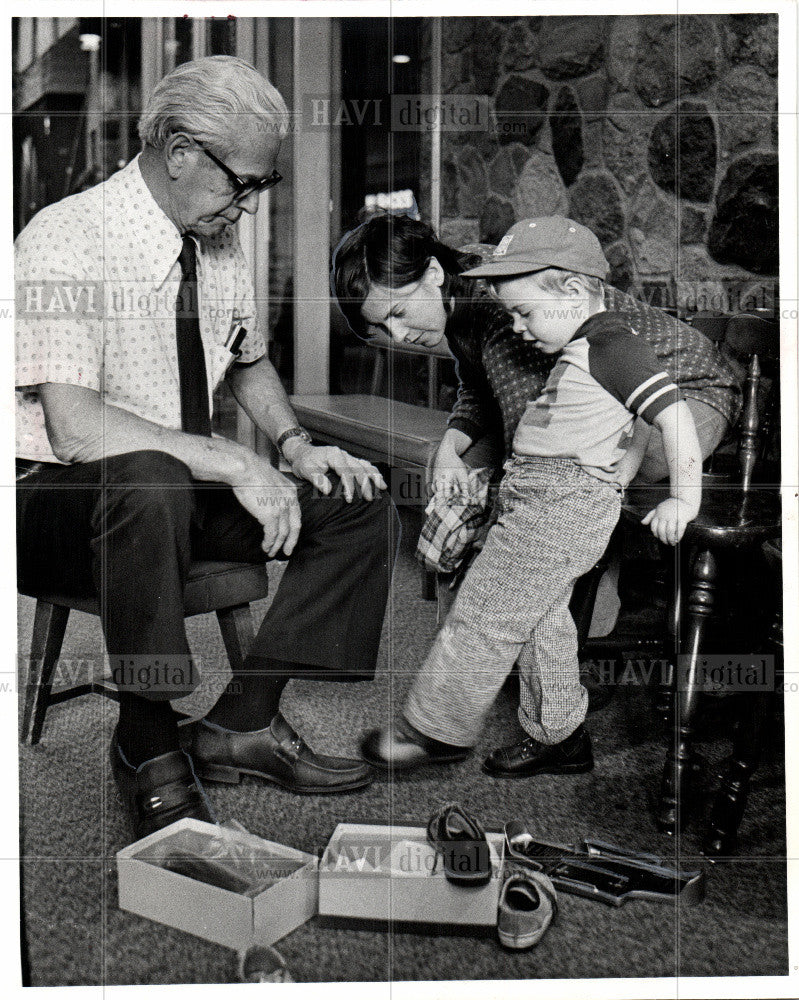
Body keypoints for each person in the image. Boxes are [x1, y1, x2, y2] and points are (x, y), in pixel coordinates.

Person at [16, 56, 398, 841]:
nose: (250, 207)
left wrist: (293, 445)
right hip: (51, 501)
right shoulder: (66, 238)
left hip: (171, 492)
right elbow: (76, 428)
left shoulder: (215, 243)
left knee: (357, 501)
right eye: (243, 184)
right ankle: (146, 744)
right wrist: (234, 460)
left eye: (263, 187)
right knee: (150, 476)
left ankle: (243, 722)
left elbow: (246, 355)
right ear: (181, 151)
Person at [358, 217, 703, 776]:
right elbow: (632, 422)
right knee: (541, 619)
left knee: (485, 610)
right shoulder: (587, 345)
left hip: (562, 504)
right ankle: (561, 736)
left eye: (525, 313)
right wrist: (621, 469)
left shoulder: (612, 345)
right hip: (541, 493)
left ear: (570, 290)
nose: (516, 326)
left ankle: (432, 731)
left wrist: (681, 500)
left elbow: (674, 414)